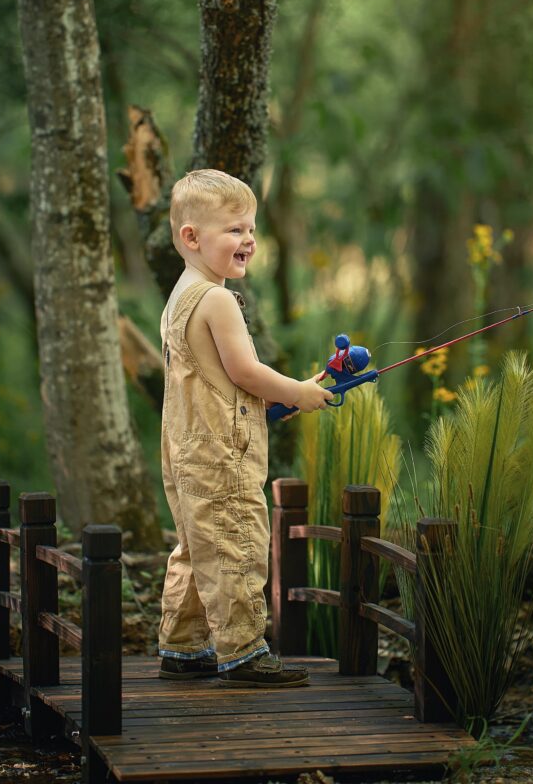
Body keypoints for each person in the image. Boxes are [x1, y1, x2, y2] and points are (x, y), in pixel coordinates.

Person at [157, 169, 332, 687]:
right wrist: (295, 392)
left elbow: (217, 380)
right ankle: (243, 651)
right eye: (234, 230)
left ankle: (183, 647)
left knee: (195, 546)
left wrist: (282, 399)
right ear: (192, 237)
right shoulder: (218, 300)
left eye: (251, 229)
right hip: (222, 454)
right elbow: (246, 372)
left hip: (187, 447)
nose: (249, 240)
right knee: (235, 542)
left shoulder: (182, 295)